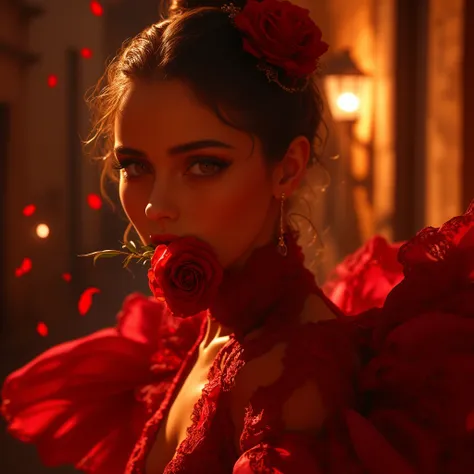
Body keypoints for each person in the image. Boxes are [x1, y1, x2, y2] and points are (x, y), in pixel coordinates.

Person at [2, 0, 474, 473]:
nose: (154, 205)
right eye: (136, 166)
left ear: (287, 169)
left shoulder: (289, 382)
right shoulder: (204, 328)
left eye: (204, 165)